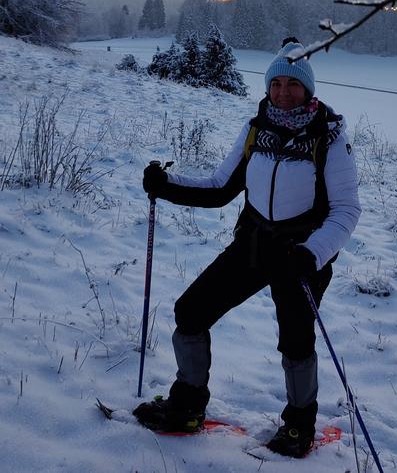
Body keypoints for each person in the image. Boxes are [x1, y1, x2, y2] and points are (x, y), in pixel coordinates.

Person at [133, 38, 361, 458]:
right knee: (191, 311)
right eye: (276, 83)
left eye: (293, 84)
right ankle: (186, 406)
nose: (283, 92)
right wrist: (167, 186)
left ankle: (298, 427)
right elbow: (221, 187)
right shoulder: (256, 129)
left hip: (301, 256)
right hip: (253, 244)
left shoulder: (329, 137)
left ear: (308, 90)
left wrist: (312, 253)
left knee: (296, 340)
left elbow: (346, 211)